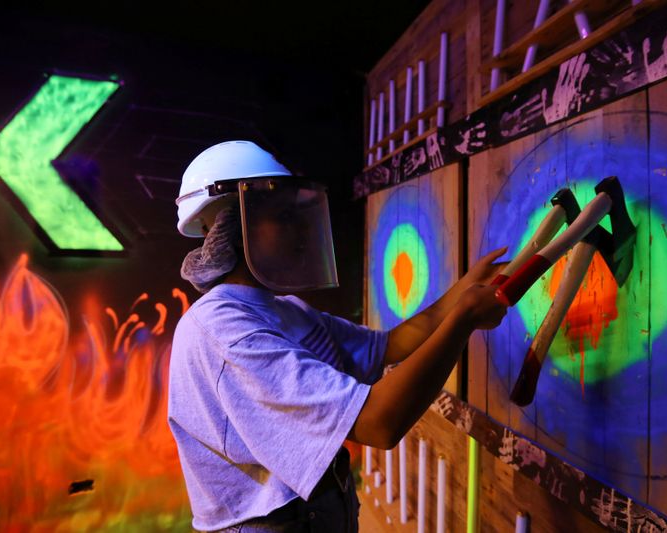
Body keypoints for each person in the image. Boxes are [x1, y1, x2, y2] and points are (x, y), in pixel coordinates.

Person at [168, 140, 507, 532]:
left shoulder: (285, 309)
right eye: (282, 215)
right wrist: (463, 319)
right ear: (234, 227)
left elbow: (388, 346)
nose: (298, 228)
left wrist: (462, 292)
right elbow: (380, 423)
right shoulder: (224, 329)